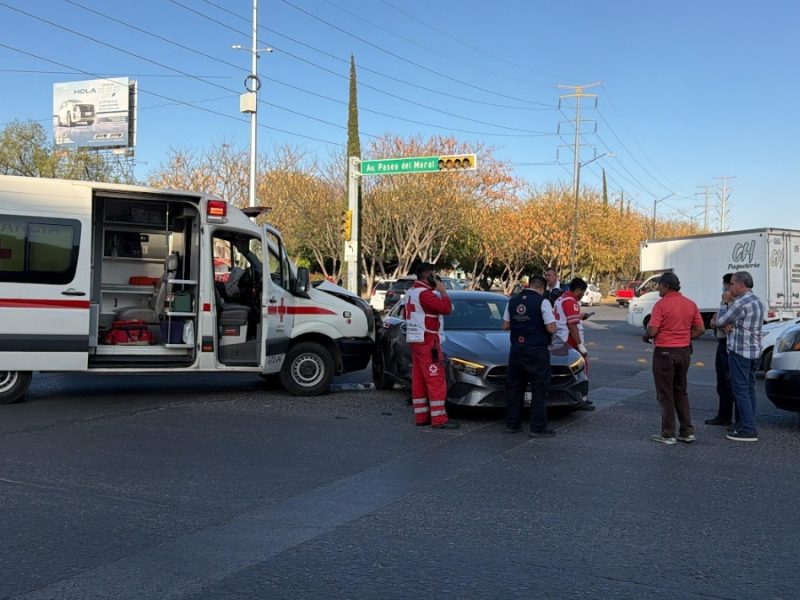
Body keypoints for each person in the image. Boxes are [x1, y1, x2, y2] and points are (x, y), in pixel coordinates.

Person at [642, 273, 706, 445]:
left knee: (665, 393)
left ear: (666, 286)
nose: (658, 289)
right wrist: (685, 337)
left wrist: (645, 336)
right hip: (684, 351)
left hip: (664, 352)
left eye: (659, 285)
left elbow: (653, 330)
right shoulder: (690, 304)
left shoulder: (661, 305)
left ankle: (668, 433)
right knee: (680, 391)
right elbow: (700, 329)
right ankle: (687, 431)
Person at [404, 262, 458, 429]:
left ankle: (421, 417)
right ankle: (439, 419)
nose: (436, 278)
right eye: (434, 275)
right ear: (427, 275)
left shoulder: (411, 292)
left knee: (419, 379)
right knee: (436, 380)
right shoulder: (425, 295)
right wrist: (442, 291)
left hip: (415, 339)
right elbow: (446, 309)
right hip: (428, 340)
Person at [503, 275, 557, 437]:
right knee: (539, 389)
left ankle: (512, 424)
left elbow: (505, 325)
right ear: (542, 288)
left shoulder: (512, 301)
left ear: (529, 285)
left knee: (514, 388)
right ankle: (537, 428)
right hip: (536, 351)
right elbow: (551, 328)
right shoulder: (543, 302)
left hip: (516, 350)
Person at [715, 271, 764, 442]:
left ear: (741, 284)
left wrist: (724, 302)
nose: (730, 287)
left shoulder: (740, 303)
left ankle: (748, 429)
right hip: (755, 351)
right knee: (749, 389)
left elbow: (720, 321)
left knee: (740, 390)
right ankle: (747, 423)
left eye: (733, 284)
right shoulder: (757, 301)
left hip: (740, 351)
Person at [552, 277, 594, 410]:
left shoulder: (562, 298)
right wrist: (580, 344)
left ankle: (577, 397)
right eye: (582, 293)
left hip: (560, 337)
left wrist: (580, 316)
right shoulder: (571, 301)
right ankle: (581, 398)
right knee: (581, 367)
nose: (582, 296)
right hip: (569, 338)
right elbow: (572, 325)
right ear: (577, 290)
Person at [705, 273, 738, 427]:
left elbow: (722, 322)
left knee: (730, 381)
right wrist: (716, 321)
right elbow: (715, 322)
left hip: (730, 344)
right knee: (722, 383)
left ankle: (739, 420)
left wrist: (719, 320)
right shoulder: (724, 301)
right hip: (722, 342)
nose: (724, 289)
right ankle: (723, 416)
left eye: (725, 286)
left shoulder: (735, 302)